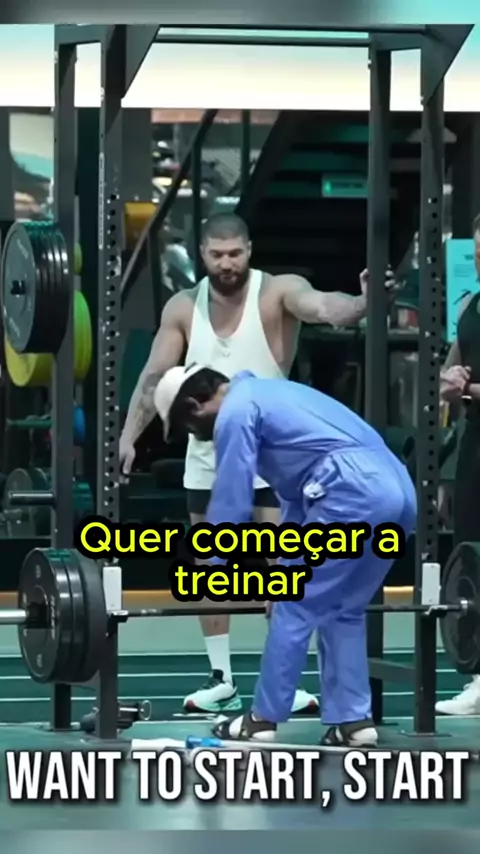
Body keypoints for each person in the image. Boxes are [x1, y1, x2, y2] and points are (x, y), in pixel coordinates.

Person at [120, 212, 395, 716]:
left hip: (273, 459)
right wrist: (128, 437)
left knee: (283, 569)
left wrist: (362, 303)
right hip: (207, 457)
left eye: (235, 254)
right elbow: (154, 375)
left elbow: (323, 308)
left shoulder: (276, 292)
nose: (227, 264)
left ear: (249, 250)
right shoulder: (184, 306)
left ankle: (289, 681)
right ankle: (221, 678)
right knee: (209, 565)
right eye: (217, 255)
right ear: (202, 254)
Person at [152, 364, 416, 747]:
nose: (197, 438)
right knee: (343, 609)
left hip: (351, 492)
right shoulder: (271, 394)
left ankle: (262, 720)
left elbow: (232, 494)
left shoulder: (235, 412)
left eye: (190, 430)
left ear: (194, 406)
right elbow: (295, 501)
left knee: (294, 605)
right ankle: (354, 722)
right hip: (397, 493)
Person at [435, 213, 480, 716]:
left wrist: (467, 389)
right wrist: (450, 384)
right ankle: (479, 679)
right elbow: (451, 370)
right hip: (475, 443)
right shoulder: (471, 305)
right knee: (471, 553)